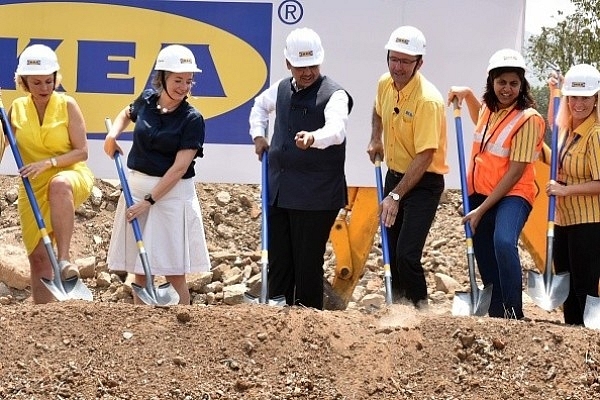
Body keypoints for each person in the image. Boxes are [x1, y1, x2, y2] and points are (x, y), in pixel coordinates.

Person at [248, 27, 353, 310]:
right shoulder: (281, 88)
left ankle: (307, 325)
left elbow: (336, 129)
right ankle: (277, 318)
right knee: (280, 260)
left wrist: (313, 138)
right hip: (280, 191)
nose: (307, 72)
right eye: (300, 66)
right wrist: (258, 135)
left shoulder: (335, 95)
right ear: (288, 64)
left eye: (312, 66)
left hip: (316, 196)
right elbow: (259, 107)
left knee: (307, 263)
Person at [104, 44, 210, 305]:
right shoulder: (148, 100)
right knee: (140, 269)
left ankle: (184, 323)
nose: (183, 87)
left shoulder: (192, 119)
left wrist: (148, 201)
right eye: (177, 80)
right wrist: (112, 135)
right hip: (136, 190)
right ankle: (142, 330)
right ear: (162, 78)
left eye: (188, 81)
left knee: (174, 271)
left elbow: (179, 168)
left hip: (170, 198)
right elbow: (126, 113)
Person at [447, 48, 545, 319]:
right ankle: (496, 310)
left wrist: (480, 210)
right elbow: (482, 122)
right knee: (484, 250)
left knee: (502, 241)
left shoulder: (529, 119)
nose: (507, 89)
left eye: (514, 83)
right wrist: (466, 94)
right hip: (481, 192)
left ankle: (514, 311)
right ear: (491, 81)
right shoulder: (490, 110)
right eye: (502, 82)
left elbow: (515, 173)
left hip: (514, 194)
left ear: (522, 85)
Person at [1, 44, 94, 304]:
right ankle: (42, 318)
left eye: (49, 81)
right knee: (38, 258)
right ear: (24, 82)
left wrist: (49, 163)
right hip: (33, 184)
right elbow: (3, 144)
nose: (44, 88)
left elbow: (82, 152)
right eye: (37, 82)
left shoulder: (68, 105)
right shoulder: (17, 109)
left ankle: (64, 260)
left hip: (70, 173)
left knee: (59, 183)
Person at [367, 25, 448, 307]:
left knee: (406, 253)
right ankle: (400, 308)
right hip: (395, 176)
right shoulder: (384, 83)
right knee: (389, 248)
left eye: (405, 61)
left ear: (419, 63)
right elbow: (377, 109)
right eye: (394, 59)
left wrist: (396, 196)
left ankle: (420, 308)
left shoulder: (428, 101)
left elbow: (425, 156)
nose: (398, 67)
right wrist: (376, 137)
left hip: (424, 182)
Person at [546, 64, 600, 325]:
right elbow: (552, 125)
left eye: (585, 97)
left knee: (585, 289)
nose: (579, 104)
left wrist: (565, 189)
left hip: (588, 223)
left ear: (596, 99)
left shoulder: (595, 134)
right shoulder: (567, 129)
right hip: (563, 221)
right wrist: (553, 92)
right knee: (566, 287)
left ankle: (592, 344)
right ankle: (573, 342)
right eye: (573, 97)